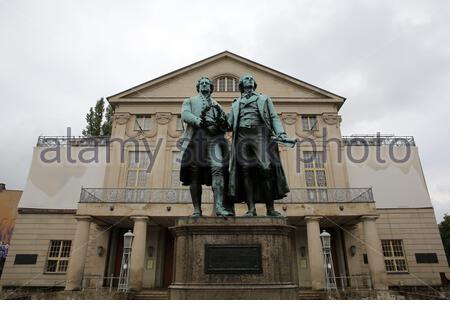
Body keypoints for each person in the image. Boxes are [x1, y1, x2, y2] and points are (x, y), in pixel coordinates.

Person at [228, 74, 291, 217]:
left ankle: (270, 208)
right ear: (242, 84)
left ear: (254, 83)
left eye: (251, 78)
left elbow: (274, 117)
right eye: (246, 78)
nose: (249, 80)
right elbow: (229, 123)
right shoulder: (236, 103)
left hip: (260, 133)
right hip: (242, 136)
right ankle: (251, 209)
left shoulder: (264, 98)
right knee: (246, 171)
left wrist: (280, 132)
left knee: (265, 168)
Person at [179, 76, 233, 217]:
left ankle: (219, 207)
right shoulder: (189, 100)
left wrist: (221, 126)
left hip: (214, 140)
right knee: (194, 174)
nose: (204, 85)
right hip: (197, 138)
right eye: (202, 83)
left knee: (218, 169)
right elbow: (185, 115)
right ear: (198, 87)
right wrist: (200, 122)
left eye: (207, 84)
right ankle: (197, 209)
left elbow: (224, 122)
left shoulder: (218, 105)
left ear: (211, 87)